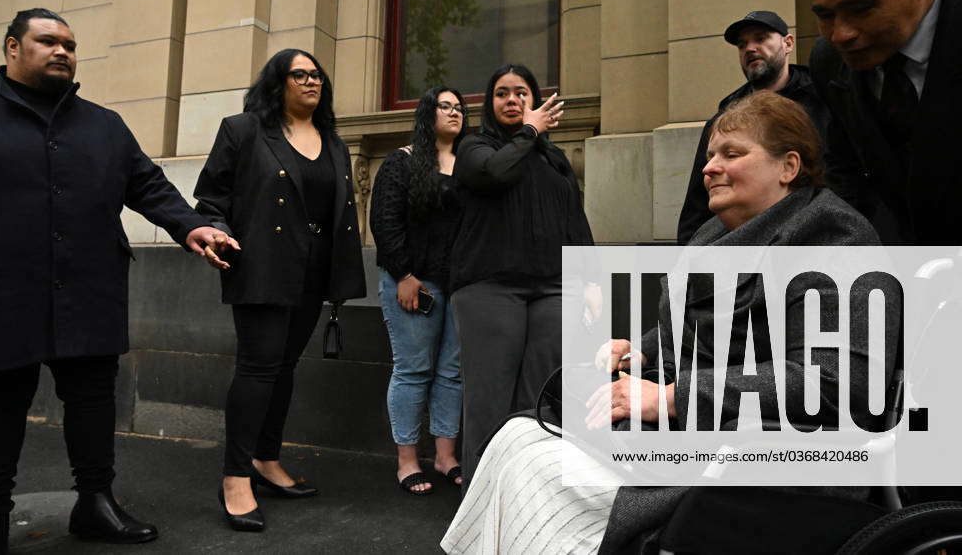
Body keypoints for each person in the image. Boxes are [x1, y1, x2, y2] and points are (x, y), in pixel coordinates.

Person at [442, 91, 890, 554]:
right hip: (704, 436)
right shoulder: (716, 236)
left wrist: (674, 397)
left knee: (539, 470)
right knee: (515, 436)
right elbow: (693, 332)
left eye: (732, 154)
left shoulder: (832, 239)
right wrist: (641, 352)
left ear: (788, 167)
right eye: (711, 154)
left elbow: (838, 381)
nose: (710, 167)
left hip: (771, 460)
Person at [0, 8, 231, 555]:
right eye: (47, 41)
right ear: (12, 47)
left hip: (89, 284)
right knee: (0, 402)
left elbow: (149, 185)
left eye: (70, 43)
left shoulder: (103, 124)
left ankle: (95, 502)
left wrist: (194, 226)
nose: (62, 51)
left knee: (92, 399)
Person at [193, 49, 366, 531]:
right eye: (300, 75)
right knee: (258, 368)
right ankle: (234, 475)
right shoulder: (244, 130)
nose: (312, 82)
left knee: (284, 367)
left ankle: (266, 460)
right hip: (263, 267)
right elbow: (211, 195)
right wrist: (216, 229)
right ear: (278, 82)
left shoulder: (332, 141)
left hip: (315, 271)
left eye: (318, 76)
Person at [450, 64, 594, 487]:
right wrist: (528, 133)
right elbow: (495, 174)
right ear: (490, 104)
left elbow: (575, 221)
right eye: (501, 94)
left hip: (553, 287)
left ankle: (528, 500)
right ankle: (479, 506)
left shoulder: (556, 159)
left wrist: (591, 282)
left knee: (539, 401)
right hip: (490, 288)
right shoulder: (475, 147)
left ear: (533, 99)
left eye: (521, 93)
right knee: (489, 403)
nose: (512, 100)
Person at [808, 0, 961, 245]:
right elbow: (844, 171)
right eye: (825, 14)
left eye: (861, 9)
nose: (840, 34)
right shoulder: (828, 60)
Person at [370, 86, 467, 495]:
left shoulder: (472, 166)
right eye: (444, 106)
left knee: (453, 373)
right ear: (428, 114)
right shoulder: (402, 161)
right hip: (413, 284)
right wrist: (404, 275)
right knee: (413, 371)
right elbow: (385, 222)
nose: (454, 112)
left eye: (460, 107)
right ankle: (407, 462)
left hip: (461, 285)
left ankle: (446, 457)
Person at [677, 11, 829, 244]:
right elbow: (697, 204)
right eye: (742, 44)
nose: (750, 48)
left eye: (760, 38)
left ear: (787, 43)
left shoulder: (824, 100)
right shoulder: (724, 117)